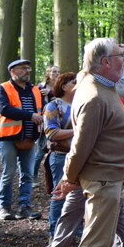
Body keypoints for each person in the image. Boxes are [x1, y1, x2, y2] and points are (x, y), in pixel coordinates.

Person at [51, 39, 124, 247]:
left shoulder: (101, 88)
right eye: (120, 56)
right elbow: (79, 145)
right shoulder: (94, 95)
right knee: (95, 243)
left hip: (109, 176)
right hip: (101, 179)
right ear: (104, 62)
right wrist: (68, 178)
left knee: (99, 240)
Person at [0, 59, 45, 221]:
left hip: (29, 138)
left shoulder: (35, 90)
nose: (27, 71)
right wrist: (29, 116)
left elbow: (42, 110)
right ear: (13, 71)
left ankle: (24, 207)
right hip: (8, 137)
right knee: (8, 172)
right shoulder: (3, 88)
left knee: (27, 174)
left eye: (28, 68)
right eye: (23, 68)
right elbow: (4, 109)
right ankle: (5, 207)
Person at [42, 72, 78, 235]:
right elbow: (52, 133)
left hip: (79, 155)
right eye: (73, 83)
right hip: (61, 155)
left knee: (77, 194)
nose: (78, 85)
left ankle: (76, 229)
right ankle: (55, 231)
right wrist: (77, 130)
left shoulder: (82, 104)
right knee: (60, 192)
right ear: (64, 87)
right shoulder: (53, 106)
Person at [34, 66, 61, 179]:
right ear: (48, 73)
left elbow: (63, 97)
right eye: (54, 72)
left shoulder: (60, 86)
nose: (56, 74)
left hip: (59, 121)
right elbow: (36, 103)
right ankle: (33, 175)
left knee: (56, 151)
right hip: (45, 122)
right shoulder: (41, 86)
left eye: (58, 72)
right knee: (41, 151)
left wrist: (51, 93)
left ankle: (54, 177)